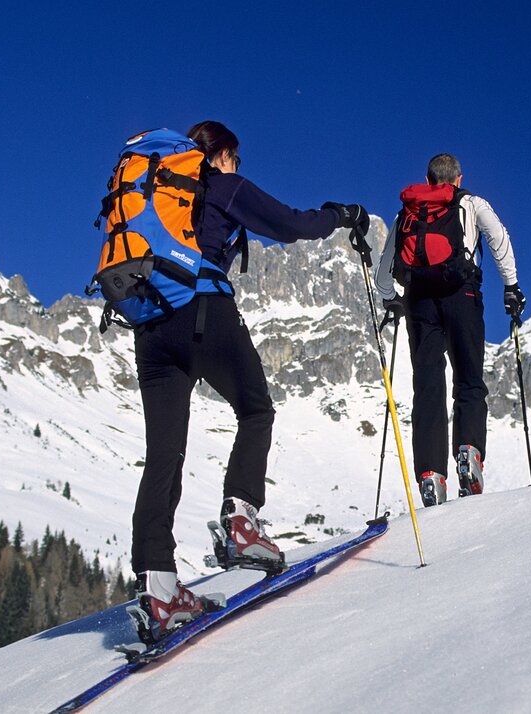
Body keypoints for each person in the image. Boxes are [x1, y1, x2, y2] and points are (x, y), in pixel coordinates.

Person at [130, 120, 369, 638]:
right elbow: (289, 224)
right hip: (202, 312)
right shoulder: (220, 186)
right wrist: (338, 215)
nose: (239, 167)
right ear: (222, 156)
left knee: (164, 456)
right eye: (236, 158)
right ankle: (242, 522)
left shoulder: (152, 195)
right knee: (256, 409)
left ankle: (159, 590)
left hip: (149, 326)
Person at [374, 153, 525, 506]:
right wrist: (511, 286)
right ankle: (469, 453)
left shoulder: (407, 213)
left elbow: (385, 266)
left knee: (427, 386)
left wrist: (390, 299)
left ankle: (430, 474)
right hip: (462, 294)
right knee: (469, 379)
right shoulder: (470, 203)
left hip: (419, 301)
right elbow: (498, 237)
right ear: (458, 178)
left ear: (428, 181)